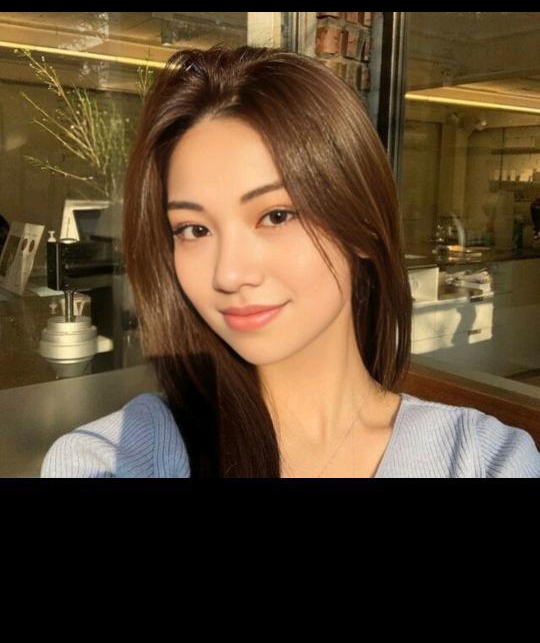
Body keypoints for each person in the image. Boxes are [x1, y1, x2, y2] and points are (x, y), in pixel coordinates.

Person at [41, 46, 540, 479]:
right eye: (194, 230)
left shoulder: (482, 460)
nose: (229, 274)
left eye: (276, 216)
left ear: (362, 226)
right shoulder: (115, 456)